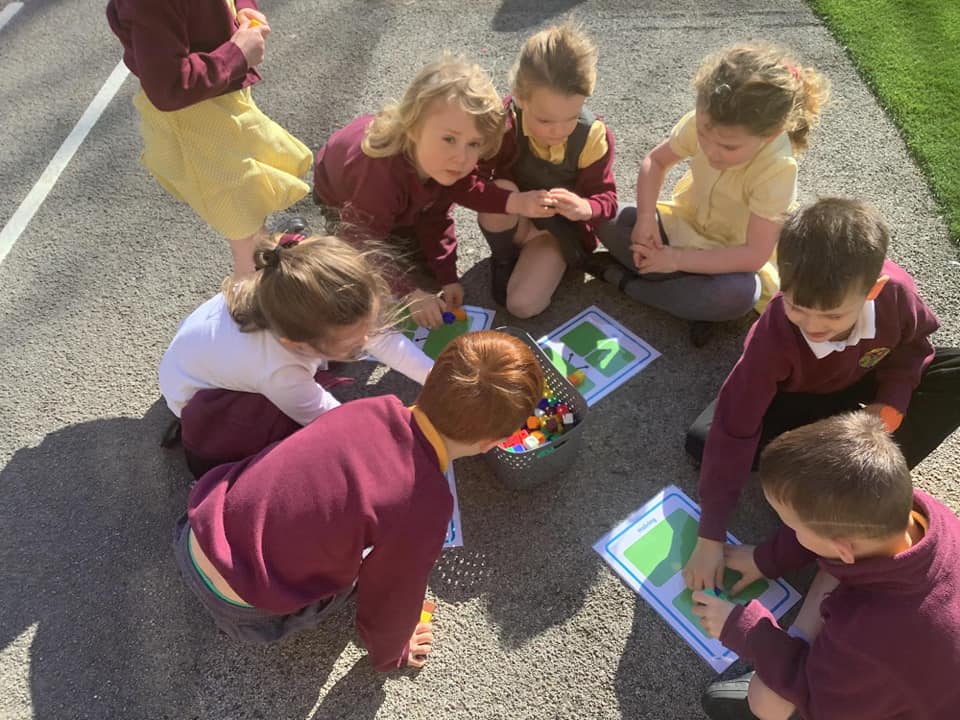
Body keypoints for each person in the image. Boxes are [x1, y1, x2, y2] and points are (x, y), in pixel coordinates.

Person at [173, 330, 544, 671]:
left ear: (431, 380)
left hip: (195, 528)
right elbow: (391, 598)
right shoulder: (425, 504)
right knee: (350, 580)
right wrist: (392, 652)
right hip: (243, 608)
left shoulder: (369, 407)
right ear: (491, 443)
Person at [683, 198, 960, 591]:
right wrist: (710, 535)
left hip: (863, 383)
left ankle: (865, 480)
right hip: (798, 396)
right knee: (706, 440)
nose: (814, 326)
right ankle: (840, 460)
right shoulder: (774, 335)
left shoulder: (895, 294)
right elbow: (734, 424)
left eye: (832, 316)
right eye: (798, 307)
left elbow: (913, 349)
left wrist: (892, 405)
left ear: (873, 289)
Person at [694, 412, 960, 720]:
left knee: (765, 700)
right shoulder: (917, 512)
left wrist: (749, 632)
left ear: (842, 549)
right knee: (827, 575)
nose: (790, 532)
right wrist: (765, 559)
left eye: (792, 526)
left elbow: (825, 707)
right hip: (924, 661)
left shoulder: (868, 633)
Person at [594, 43, 829, 346]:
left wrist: (675, 260)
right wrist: (645, 221)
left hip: (728, 260)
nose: (710, 151)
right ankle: (684, 298)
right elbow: (656, 162)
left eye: (729, 147)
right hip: (681, 224)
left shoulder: (778, 168)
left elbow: (753, 256)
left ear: (769, 135)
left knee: (740, 295)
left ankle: (627, 283)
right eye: (704, 135)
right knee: (603, 215)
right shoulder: (707, 118)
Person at [158, 233, 434, 477]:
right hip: (199, 400)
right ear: (297, 344)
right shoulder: (278, 370)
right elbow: (329, 421)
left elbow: (383, 340)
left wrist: (435, 377)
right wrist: (393, 447)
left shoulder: (290, 292)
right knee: (290, 440)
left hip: (204, 359)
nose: (367, 341)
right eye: (353, 341)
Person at [313, 55, 548, 328]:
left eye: (474, 144)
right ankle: (390, 231)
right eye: (449, 139)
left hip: (403, 194)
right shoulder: (379, 172)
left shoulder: (442, 164)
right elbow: (361, 241)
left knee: (421, 261)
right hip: (342, 196)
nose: (461, 157)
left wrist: (448, 275)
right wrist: (410, 294)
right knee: (359, 274)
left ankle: (403, 229)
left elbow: (437, 215)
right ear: (413, 127)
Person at [106, 0, 312, 277]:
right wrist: (236, 54)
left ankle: (264, 244)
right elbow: (168, 85)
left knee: (248, 187)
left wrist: (244, 8)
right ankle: (251, 301)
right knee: (239, 216)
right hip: (194, 119)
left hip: (216, 93)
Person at [455, 23, 617, 317]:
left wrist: (584, 207)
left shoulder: (592, 136)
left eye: (570, 118)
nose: (559, 131)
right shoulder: (502, 124)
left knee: (522, 306)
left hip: (555, 233)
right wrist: (515, 203)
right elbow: (465, 184)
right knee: (503, 189)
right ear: (519, 97)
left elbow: (607, 199)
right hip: (514, 222)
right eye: (545, 120)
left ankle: (549, 262)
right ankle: (504, 257)